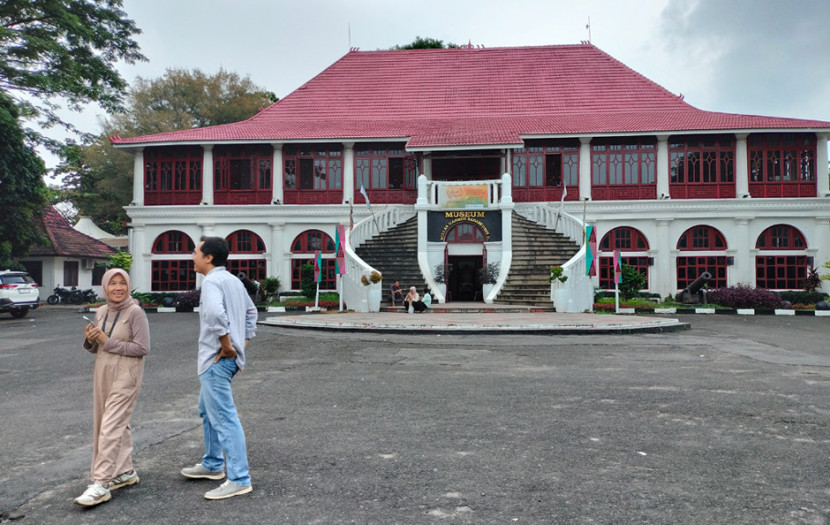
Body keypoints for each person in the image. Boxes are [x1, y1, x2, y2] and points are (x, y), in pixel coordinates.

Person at [181, 236, 258, 500]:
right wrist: (240, 344)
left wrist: (227, 344)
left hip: (216, 359)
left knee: (224, 417)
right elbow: (251, 313)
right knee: (207, 409)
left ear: (208, 257)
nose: (192, 257)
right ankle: (213, 464)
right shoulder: (233, 280)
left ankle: (239, 478)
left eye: (195, 252)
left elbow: (214, 313)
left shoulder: (212, 281)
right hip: (226, 359)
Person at [74, 268, 150, 507]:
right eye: (112, 283)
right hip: (103, 371)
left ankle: (101, 482)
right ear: (105, 287)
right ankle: (125, 472)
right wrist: (91, 339)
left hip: (127, 374)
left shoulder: (135, 312)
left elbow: (142, 348)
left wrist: (107, 341)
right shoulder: (102, 311)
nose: (118, 288)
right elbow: (99, 347)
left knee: (110, 426)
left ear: (128, 285)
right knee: (111, 422)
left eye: (122, 283)